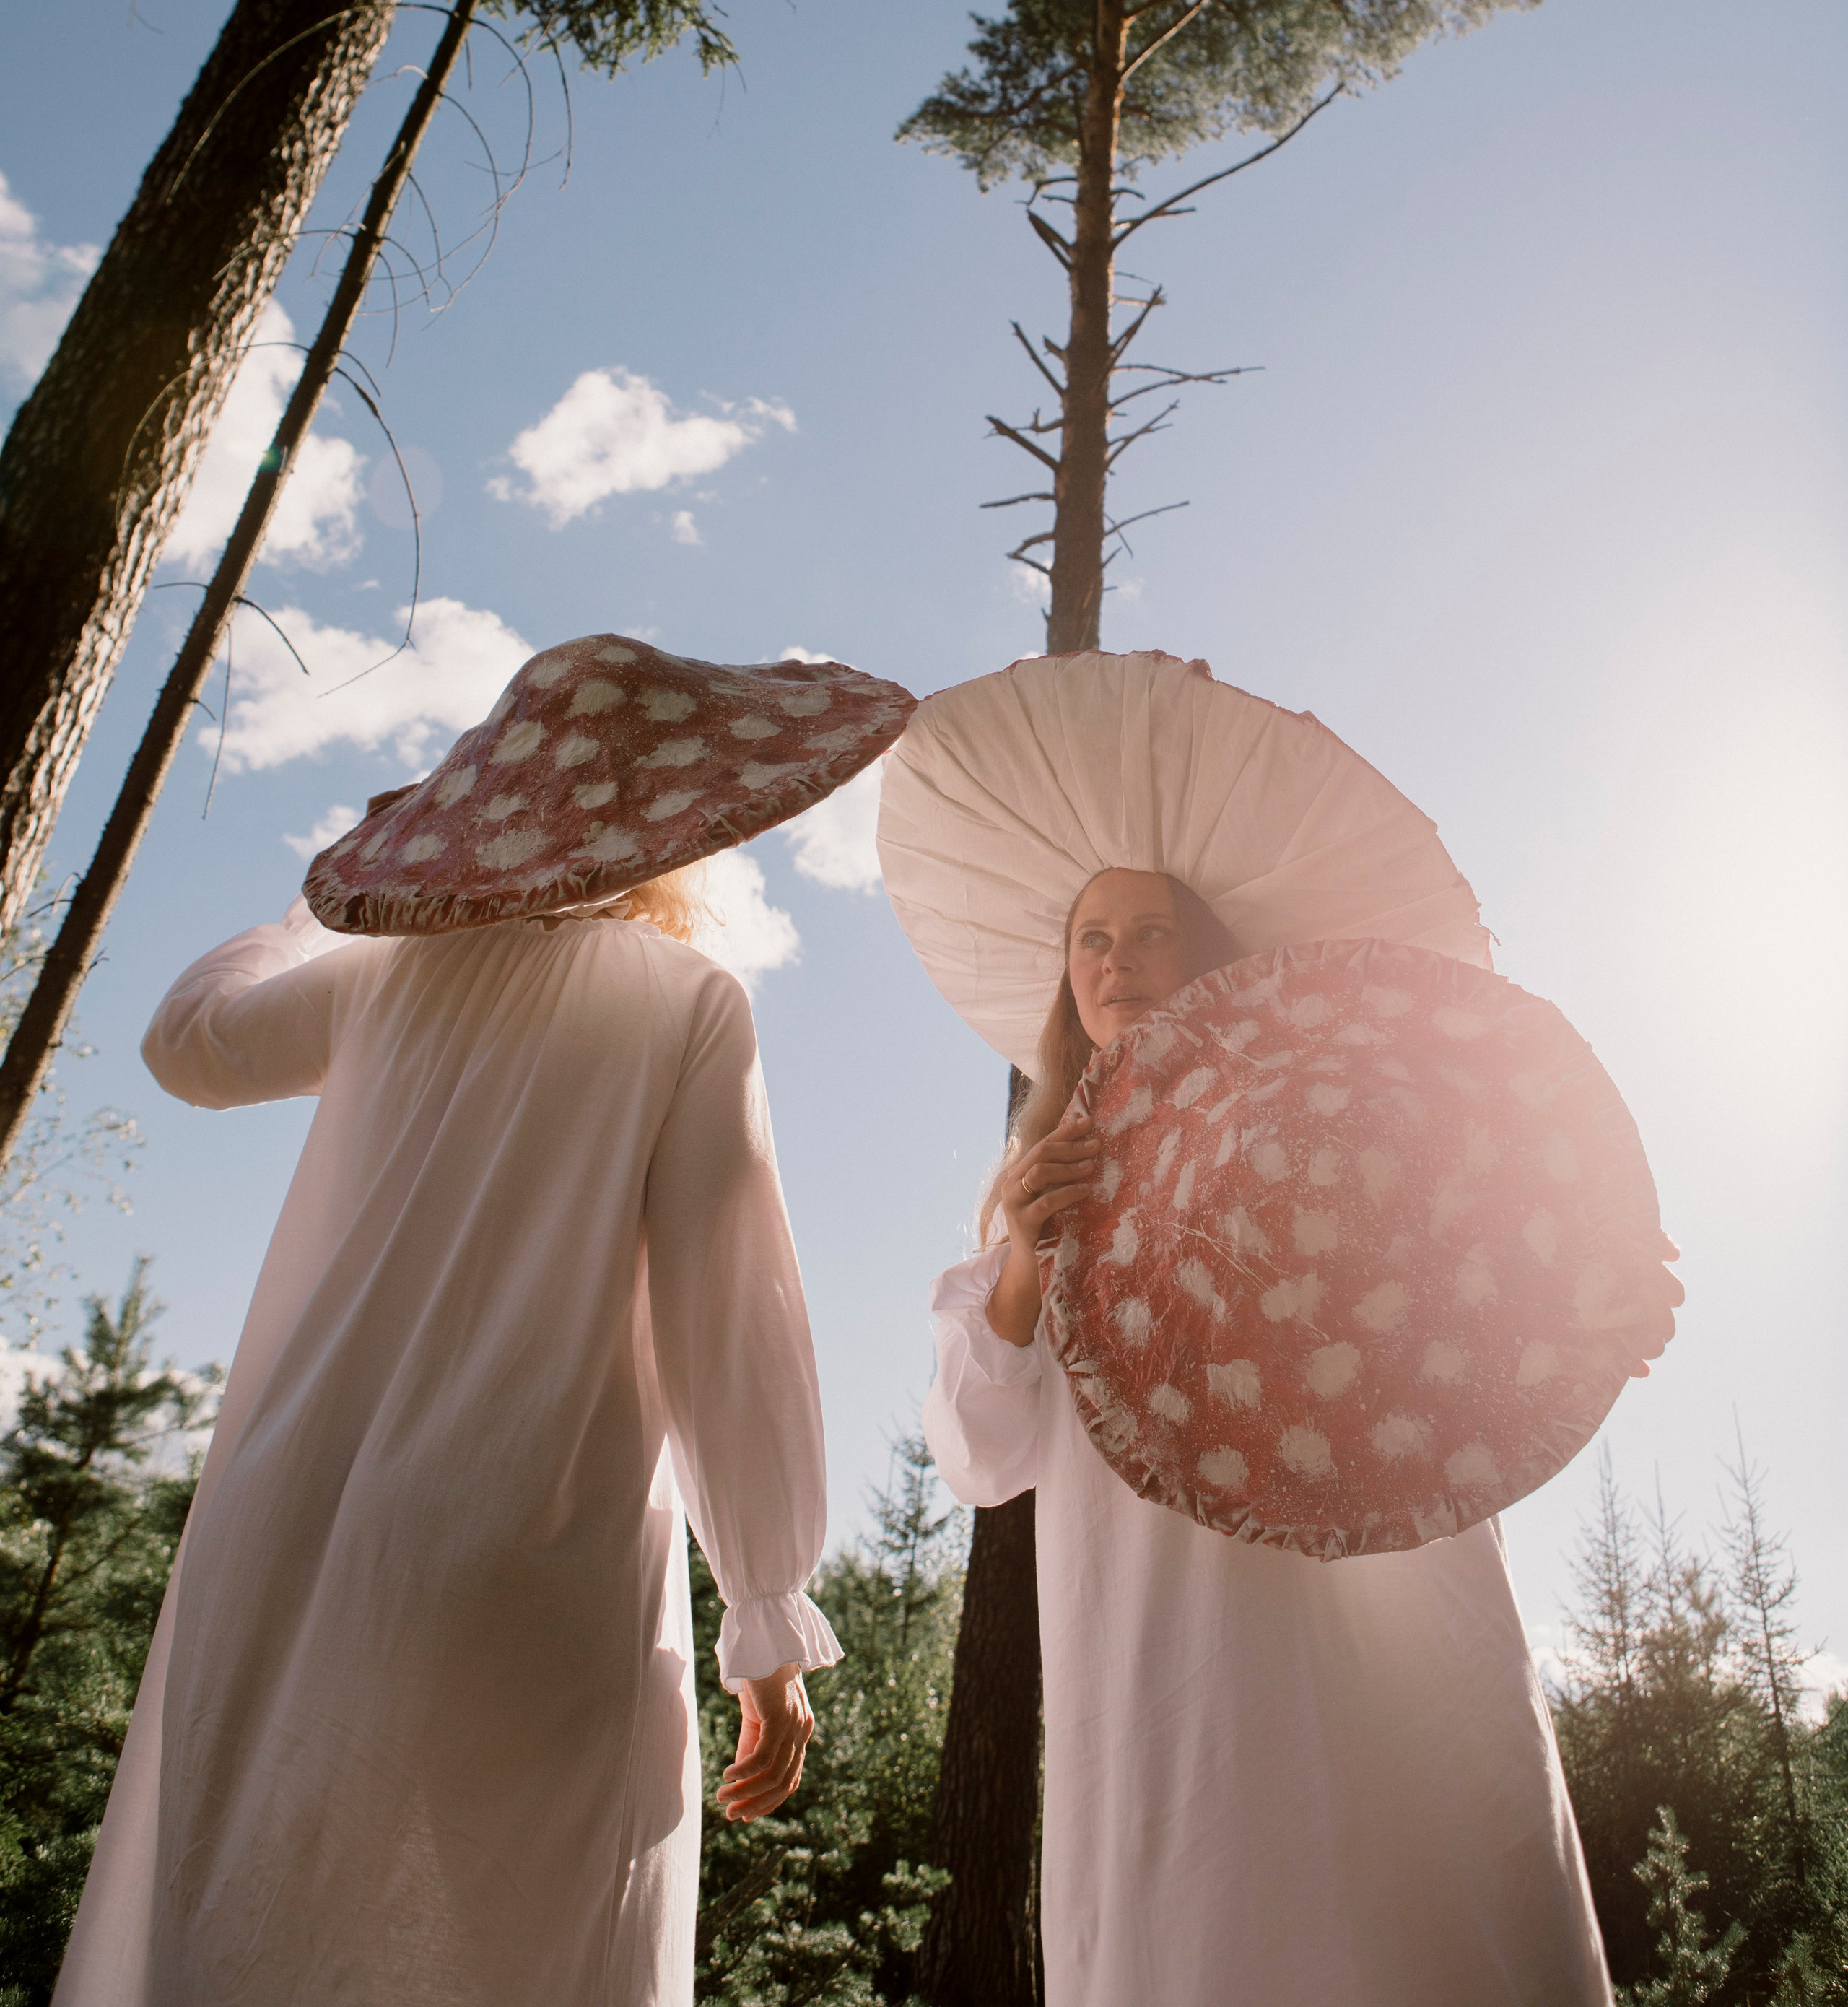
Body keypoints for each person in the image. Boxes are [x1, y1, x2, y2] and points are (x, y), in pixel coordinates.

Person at [55, 634, 915, 2007]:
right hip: (521, 1541)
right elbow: (726, 1321)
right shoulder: (688, 1000)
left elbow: (186, 1046)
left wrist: (329, 901)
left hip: (282, 1528)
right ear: (678, 826)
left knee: (255, 1928)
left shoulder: (379, 979)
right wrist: (763, 1605)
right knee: (535, 1941)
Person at [880, 651, 1673, 2007]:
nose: (1119, 962)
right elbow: (980, 1457)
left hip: (1383, 1587)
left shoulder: (1348, 1115)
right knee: (1205, 1918)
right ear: (1064, 976)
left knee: (1420, 1891)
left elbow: (1481, 1277)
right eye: (1092, 939)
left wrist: (1600, 1296)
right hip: (1154, 1630)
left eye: (1152, 933)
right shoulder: (1030, 1169)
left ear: (1210, 951)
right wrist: (1023, 1251)